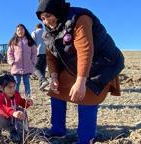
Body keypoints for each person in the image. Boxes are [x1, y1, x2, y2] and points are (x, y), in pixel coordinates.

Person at [36, 0, 124, 143]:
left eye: (48, 15)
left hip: (101, 65)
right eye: (42, 19)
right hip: (74, 67)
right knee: (56, 92)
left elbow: (85, 51)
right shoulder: (49, 33)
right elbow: (51, 58)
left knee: (86, 96)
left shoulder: (80, 18)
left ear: (57, 9)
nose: (46, 21)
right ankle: (58, 131)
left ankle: (86, 138)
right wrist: (54, 77)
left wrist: (81, 81)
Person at [0, 71, 33, 143]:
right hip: (4, 121)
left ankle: (19, 132)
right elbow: (3, 108)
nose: (12, 89)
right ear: (1, 88)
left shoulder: (16, 94)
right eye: (10, 87)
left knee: (22, 111)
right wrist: (13, 112)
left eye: (14, 86)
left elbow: (21, 102)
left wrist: (27, 103)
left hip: (13, 121)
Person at [7, 24, 37, 97]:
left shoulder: (29, 41)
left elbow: (34, 53)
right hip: (16, 66)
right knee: (16, 82)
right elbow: (9, 53)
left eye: (22, 29)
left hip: (27, 66)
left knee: (26, 82)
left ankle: (28, 98)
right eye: (18, 30)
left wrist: (33, 61)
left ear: (25, 30)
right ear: (16, 32)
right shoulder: (13, 42)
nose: (20, 31)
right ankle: (15, 97)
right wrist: (12, 61)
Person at [31, 23, 49, 91]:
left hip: (39, 52)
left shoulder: (35, 32)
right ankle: (42, 87)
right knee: (42, 69)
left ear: (36, 27)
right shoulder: (46, 32)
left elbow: (32, 42)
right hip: (46, 52)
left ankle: (43, 80)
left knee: (35, 67)